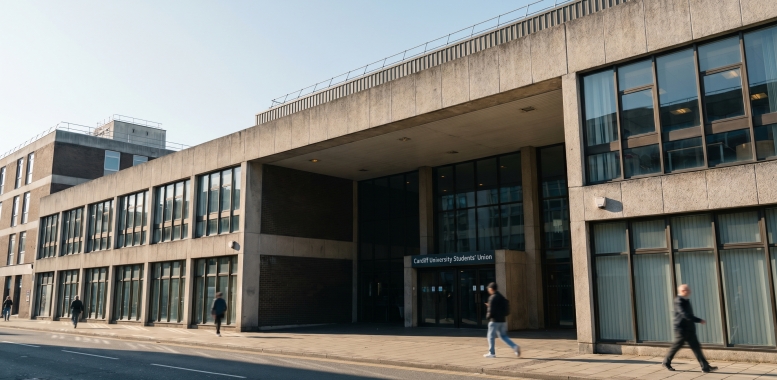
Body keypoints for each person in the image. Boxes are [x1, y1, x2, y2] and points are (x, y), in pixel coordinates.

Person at [663, 284, 717, 373]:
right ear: (683, 291)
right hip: (681, 330)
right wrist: (699, 320)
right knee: (676, 347)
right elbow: (685, 315)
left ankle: (705, 367)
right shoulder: (679, 301)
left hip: (689, 329)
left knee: (696, 348)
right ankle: (666, 362)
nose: (690, 291)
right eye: (688, 290)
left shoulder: (685, 300)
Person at [483, 282, 520, 358]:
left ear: (491, 289)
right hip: (502, 320)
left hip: (494, 321)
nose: (488, 290)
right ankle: (514, 346)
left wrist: (487, 317)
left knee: (490, 336)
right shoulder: (501, 297)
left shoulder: (492, 297)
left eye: (488, 289)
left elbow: (491, 310)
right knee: (503, 336)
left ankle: (491, 353)